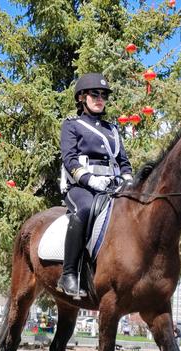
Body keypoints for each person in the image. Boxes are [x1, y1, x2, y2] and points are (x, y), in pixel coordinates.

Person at [57, 73, 133, 297]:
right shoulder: (72, 125)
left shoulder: (112, 130)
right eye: (94, 94)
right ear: (82, 97)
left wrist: (128, 179)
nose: (100, 98)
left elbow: (123, 161)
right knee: (86, 210)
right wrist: (89, 179)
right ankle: (69, 273)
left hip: (112, 185)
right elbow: (69, 158)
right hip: (81, 187)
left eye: (103, 95)